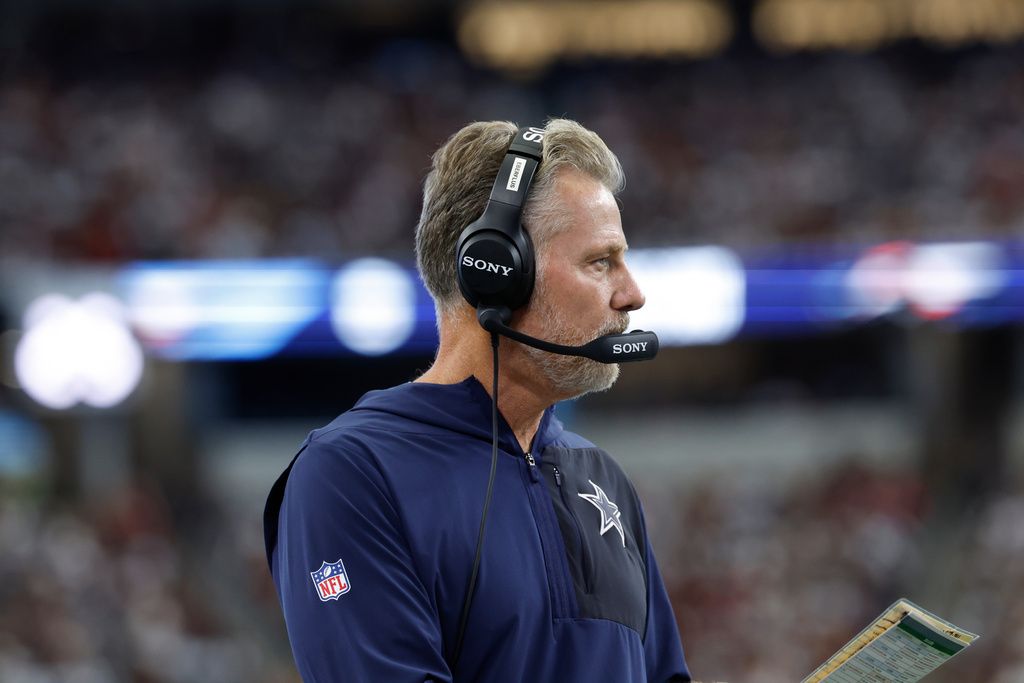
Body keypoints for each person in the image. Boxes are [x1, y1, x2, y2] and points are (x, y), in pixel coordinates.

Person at [264, 119, 694, 682]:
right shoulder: (351, 474)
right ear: (497, 272)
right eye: (600, 261)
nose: (632, 294)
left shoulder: (603, 478)